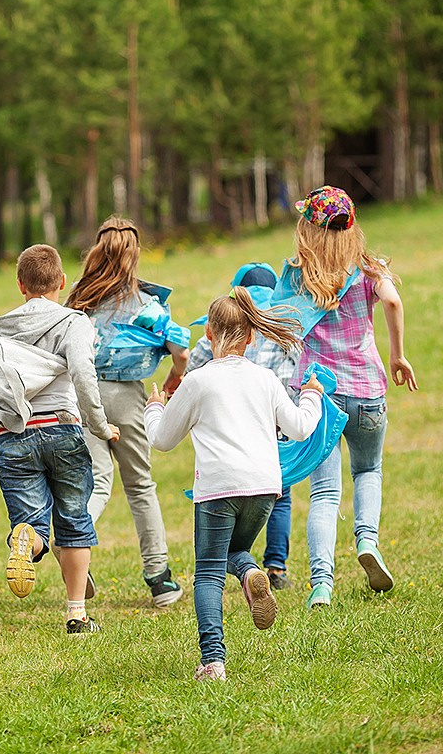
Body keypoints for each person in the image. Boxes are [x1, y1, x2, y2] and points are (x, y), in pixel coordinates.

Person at [145, 287, 324, 681]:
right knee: (235, 551)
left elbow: (162, 440)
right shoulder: (265, 379)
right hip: (265, 487)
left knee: (208, 571)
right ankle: (249, 572)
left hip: (218, 488)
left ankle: (213, 660)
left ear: (208, 333)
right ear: (252, 337)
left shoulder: (197, 381)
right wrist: (311, 397)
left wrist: (154, 408)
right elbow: (299, 428)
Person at [0, 244, 119, 634]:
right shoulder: (73, 322)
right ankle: (76, 614)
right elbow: (83, 374)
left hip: (14, 434)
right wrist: (101, 426)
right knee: (74, 522)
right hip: (62, 428)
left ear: (20, 285)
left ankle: (27, 538)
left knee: (31, 522)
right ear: (63, 281)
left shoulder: (0, 328)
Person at [283, 186, 418, 609]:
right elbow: (392, 301)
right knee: (368, 470)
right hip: (366, 390)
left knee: (324, 493)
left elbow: (280, 320)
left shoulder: (298, 275)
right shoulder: (369, 268)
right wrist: (397, 355)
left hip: (318, 395)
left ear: (309, 229)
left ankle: (321, 585)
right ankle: (368, 542)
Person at [64, 216, 189, 607]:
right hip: (128, 397)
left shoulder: (79, 299)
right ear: (134, 255)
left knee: (97, 482)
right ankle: (160, 580)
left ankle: (72, 540)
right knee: (140, 486)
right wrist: (172, 380)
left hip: (83, 396)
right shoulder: (147, 305)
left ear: (97, 251)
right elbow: (182, 352)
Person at [185, 262, 300, 590]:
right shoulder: (282, 331)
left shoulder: (216, 334)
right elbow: (294, 381)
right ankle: (275, 567)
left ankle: (230, 560)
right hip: (275, 432)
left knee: (222, 513)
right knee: (280, 498)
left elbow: (192, 373)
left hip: (227, 437)